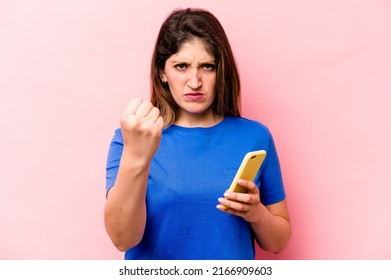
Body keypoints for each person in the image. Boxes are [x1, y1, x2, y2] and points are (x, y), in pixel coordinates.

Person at [104, 7, 291, 260]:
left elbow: (278, 242)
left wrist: (256, 213)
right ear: (162, 72)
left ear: (221, 71)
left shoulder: (255, 136)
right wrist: (137, 155)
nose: (194, 81)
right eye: (181, 66)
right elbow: (122, 238)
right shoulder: (133, 138)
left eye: (207, 66)